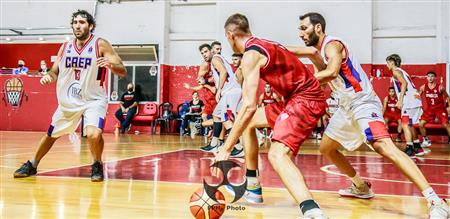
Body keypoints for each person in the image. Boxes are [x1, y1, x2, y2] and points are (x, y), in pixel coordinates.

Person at [290, 12, 448, 218]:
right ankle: (360, 186)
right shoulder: (318, 52)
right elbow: (311, 67)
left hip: (363, 104)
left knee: (383, 146)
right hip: (346, 107)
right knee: (327, 148)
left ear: (318, 28)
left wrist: (298, 84)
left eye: (304, 28)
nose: (300, 33)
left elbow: (332, 73)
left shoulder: (332, 45)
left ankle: (435, 200)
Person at [215, 13, 328, 218]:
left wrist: (226, 148)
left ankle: (311, 209)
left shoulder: (250, 56)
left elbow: (248, 106)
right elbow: (305, 50)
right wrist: (319, 64)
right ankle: (253, 186)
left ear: (230, 35)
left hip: (305, 100)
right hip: (294, 99)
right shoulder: (267, 43)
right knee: (248, 125)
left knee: (277, 154)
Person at [13, 10, 127, 182]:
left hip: (93, 99)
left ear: (91, 26)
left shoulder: (100, 44)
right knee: (51, 134)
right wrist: (49, 76)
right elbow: (54, 70)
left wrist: (110, 65)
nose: (77, 25)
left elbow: (122, 70)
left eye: (82, 22)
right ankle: (32, 164)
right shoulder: (65, 47)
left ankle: (96, 164)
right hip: (69, 100)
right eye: (75, 22)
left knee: (93, 134)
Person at [197, 43, 244, 158]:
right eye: (202, 53)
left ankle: (238, 147)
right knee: (216, 115)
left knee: (226, 120)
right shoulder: (217, 60)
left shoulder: (215, 59)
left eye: (206, 51)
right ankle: (214, 144)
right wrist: (206, 82)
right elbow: (219, 75)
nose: (204, 54)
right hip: (231, 92)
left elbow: (223, 72)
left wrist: (218, 91)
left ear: (212, 51)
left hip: (231, 92)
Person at [386, 54, 428, 157]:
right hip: (415, 99)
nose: (387, 65)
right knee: (410, 124)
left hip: (409, 101)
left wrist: (400, 100)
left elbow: (404, 83)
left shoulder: (395, 71)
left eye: (387, 62)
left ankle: (410, 149)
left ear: (392, 62)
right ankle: (417, 147)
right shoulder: (403, 71)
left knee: (405, 124)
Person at [418, 71, 450, 146]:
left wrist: (449, 107)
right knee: (421, 124)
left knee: (446, 125)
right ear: (426, 77)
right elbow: (417, 96)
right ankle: (426, 140)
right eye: (429, 76)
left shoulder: (440, 87)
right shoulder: (423, 87)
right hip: (430, 110)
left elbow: (447, 97)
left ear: (434, 77)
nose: (430, 78)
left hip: (440, 109)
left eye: (432, 76)